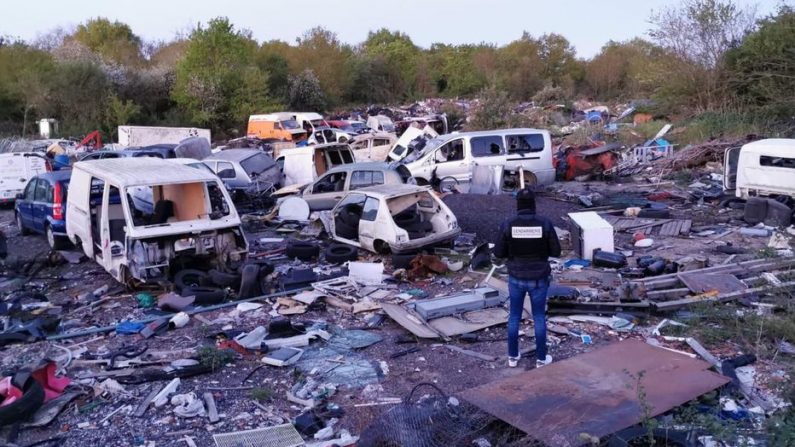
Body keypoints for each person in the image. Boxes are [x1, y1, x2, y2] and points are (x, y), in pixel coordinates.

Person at [493, 188, 561, 368]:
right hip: (539, 278)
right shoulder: (545, 223)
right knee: (539, 316)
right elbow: (556, 251)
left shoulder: (508, 224)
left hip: (516, 277)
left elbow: (498, 252)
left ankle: (513, 357)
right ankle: (541, 358)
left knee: (514, 316)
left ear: (518, 204)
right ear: (533, 204)